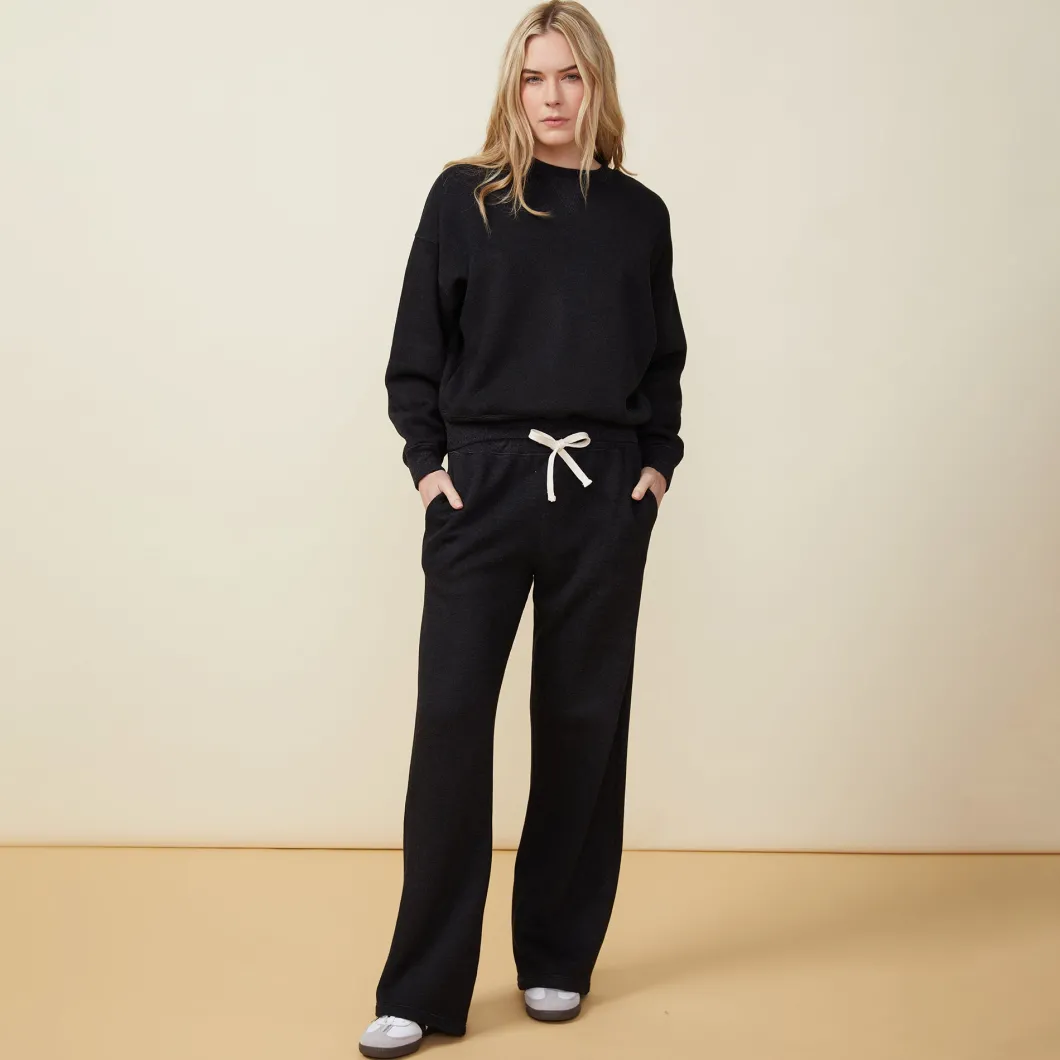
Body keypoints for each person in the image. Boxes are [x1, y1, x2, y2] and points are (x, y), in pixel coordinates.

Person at [359, 2, 686, 1055]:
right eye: (535, 77)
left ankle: (555, 956)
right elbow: (416, 349)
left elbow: (661, 360)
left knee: (584, 724)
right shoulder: (464, 200)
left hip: (601, 489)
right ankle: (422, 987)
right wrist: (429, 468)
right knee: (452, 729)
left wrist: (654, 467)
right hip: (484, 486)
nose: (552, 96)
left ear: (597, 87)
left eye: (571, 77)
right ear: (513, 86)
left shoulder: (637, 215)